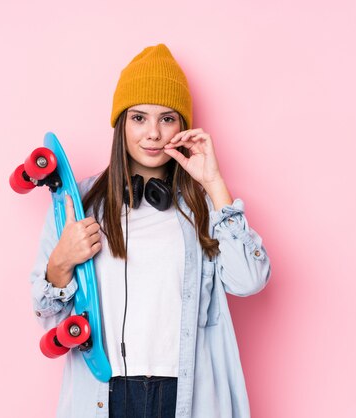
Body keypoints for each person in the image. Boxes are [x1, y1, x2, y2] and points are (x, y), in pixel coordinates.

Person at [30, 43, 272, 418]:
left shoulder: (203, 206)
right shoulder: (78, 203)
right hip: (105, 394)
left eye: (168, 118)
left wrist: (214, 184)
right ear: (121, 124)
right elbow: (49, 314)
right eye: (139, 118)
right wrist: (61, 261)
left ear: (183, 126)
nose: (153, 133)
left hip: (185, 395)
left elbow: (250, 280)